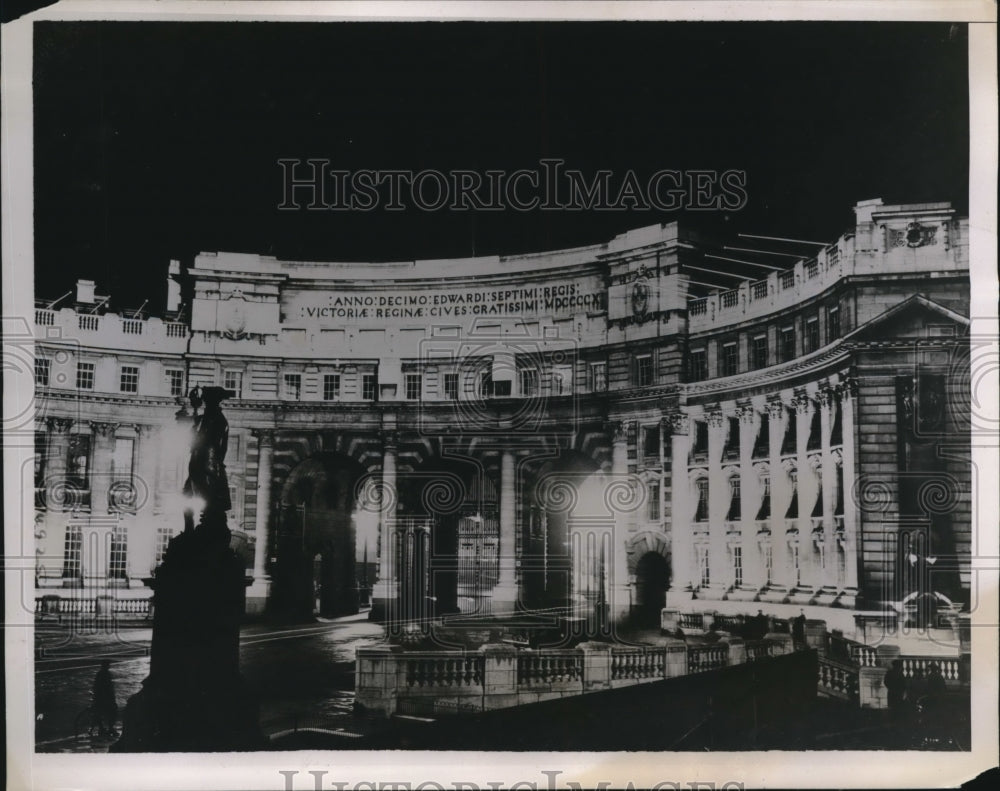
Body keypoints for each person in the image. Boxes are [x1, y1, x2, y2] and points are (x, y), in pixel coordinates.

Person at [92, 659, 118, 737]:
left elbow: (96, 686)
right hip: (106, 697)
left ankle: (101, 728)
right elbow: (109, 687)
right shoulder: (106, 674)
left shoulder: (99, 674)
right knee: (112, 711)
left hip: (99, 697)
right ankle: (110, 728)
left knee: (100, 712)